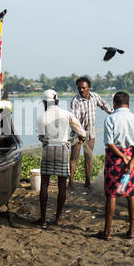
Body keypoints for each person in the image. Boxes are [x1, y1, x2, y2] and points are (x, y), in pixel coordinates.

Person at [36, 89, 87, 227]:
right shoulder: (67, 114)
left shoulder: (41, 117)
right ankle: (58, 218)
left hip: (48, 149)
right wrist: (79, 139)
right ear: (57, 100)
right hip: (62, 150)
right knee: (61, 185)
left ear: (44, 102)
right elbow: (82, 132)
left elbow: (41, 138)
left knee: (44, 185)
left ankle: (43, 219)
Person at [100, 91, 134, 240]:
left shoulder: (110, 119)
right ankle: (131, 231)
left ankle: (107, 232)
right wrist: (131, 161)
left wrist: (122, 157)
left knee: (112, 195)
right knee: (131, 194)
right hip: (131, 158)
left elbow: (110, 143)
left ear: (114, 103)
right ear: (128, 103)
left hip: (114, 160)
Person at [69, 77, 113, 190]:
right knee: (74, 157)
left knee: (88, 157)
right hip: (77, 133)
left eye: (84, 87)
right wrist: (81, 133)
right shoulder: (75, 101)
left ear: (89, 87)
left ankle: (87, 181)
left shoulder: (95, 97)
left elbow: (104, 105)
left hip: (90, 133)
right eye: (79, 88)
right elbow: (73, 120)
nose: (81, 90)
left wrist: (114, 114)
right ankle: (71, 182)